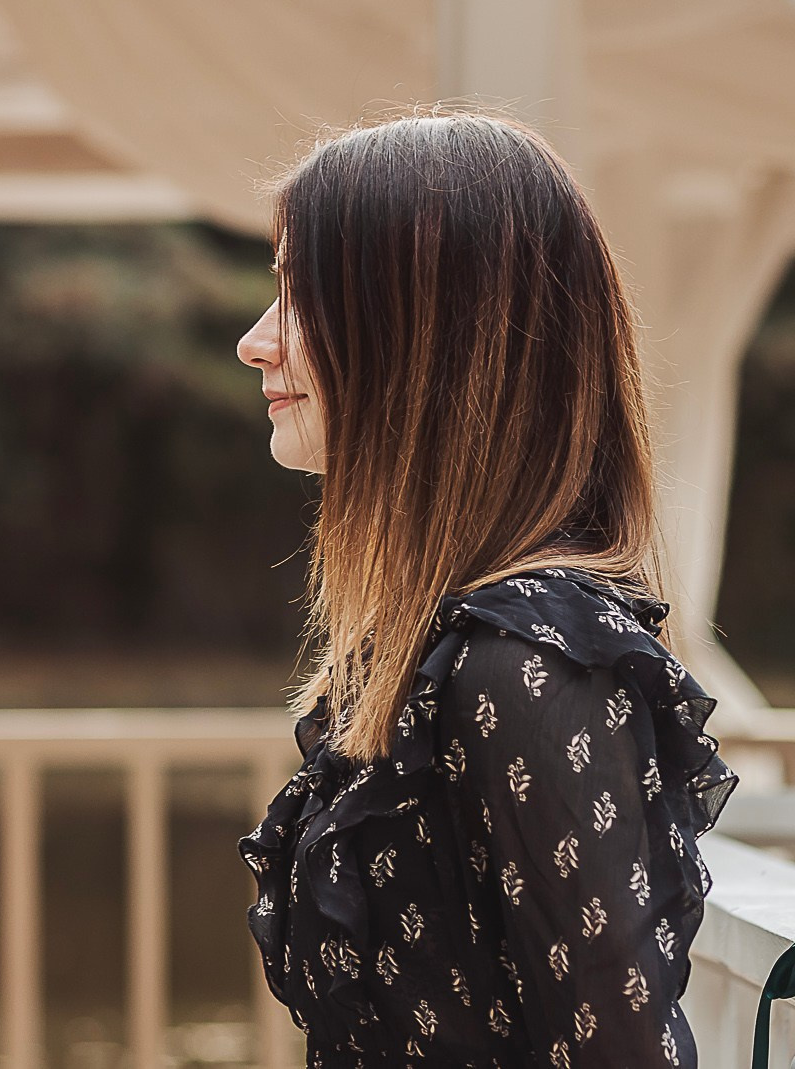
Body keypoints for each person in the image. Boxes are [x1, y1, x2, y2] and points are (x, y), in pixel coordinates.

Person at [234, 112, 737, 1068]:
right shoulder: (438, 647)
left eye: (304, 293)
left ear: (426, 334)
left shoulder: (524, 666)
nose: (257, 341)